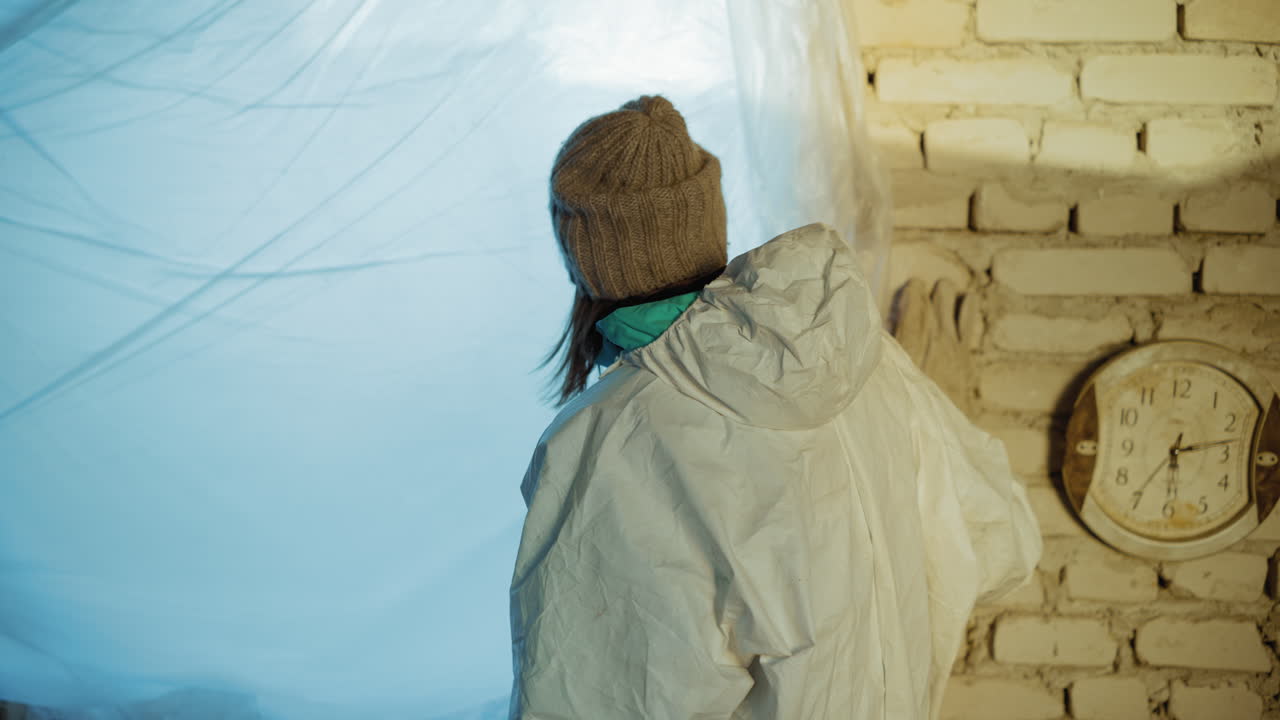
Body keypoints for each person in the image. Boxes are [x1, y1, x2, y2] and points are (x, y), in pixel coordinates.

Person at [508, 95, 1042, 720]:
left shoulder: (607, 440)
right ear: (710, 224)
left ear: (586, 258)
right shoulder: (866, 361)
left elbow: (590, 699)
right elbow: (1005, 544)